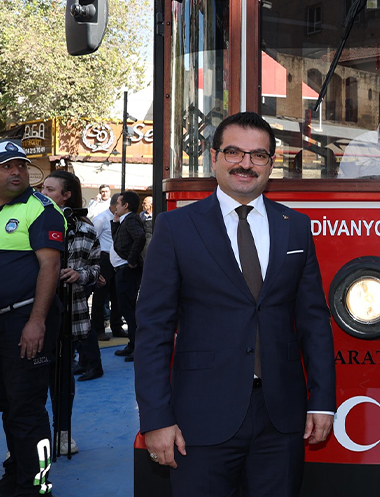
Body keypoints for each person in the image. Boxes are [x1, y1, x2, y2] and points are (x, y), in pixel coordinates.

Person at [136, 112, 335, 496]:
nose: (245, 163)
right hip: (200, 417)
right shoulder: (176, 228)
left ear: (270, 164)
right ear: (214, 158)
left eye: (258, 155)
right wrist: (155, 419)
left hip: (280, 418)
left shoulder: (295, 226)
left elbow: (313, 321)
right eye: (234, 152)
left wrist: (323, 401)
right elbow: (154, 329)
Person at [0, 141, 66, 497]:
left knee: (26, 408)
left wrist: (36, 321)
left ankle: (37, 487)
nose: (16, 172)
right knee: (6, 404)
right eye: (7, 166)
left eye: (21, 166)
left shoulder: (41, 208)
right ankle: (17, 475)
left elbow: (50, 266)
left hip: (25, 321)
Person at [41, 170, 101, 452]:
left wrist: (79, 275)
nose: (43, 194)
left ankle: (63, 432)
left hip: (68, 314)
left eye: (50, 190)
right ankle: (31, 436)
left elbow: (95, 268)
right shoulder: (30, 224)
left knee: (63, 379)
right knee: (33, 380)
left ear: (66, 195)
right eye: (42, 188)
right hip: (32, 316)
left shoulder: (85, 229)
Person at [111, 191, 146, 362]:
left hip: (127, 270)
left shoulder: (131, 219)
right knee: (126, 308)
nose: (116, 206)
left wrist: (132, 260)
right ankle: (132, 344)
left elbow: (139, 237)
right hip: (122, 269)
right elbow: (118, 240)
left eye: (118, 203)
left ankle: (136, 345)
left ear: (125, 205)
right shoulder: (124, 220)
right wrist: (115, 223)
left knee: (129, 310)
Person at [90, 198, 122, 342]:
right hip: (104, 258)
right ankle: (98, 329)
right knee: (100, 296)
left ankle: (117, 326)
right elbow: (92, 240)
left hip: (117, 258)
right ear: (115, 205)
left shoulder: (120, 218)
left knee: (117, 295)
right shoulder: (101, 219)